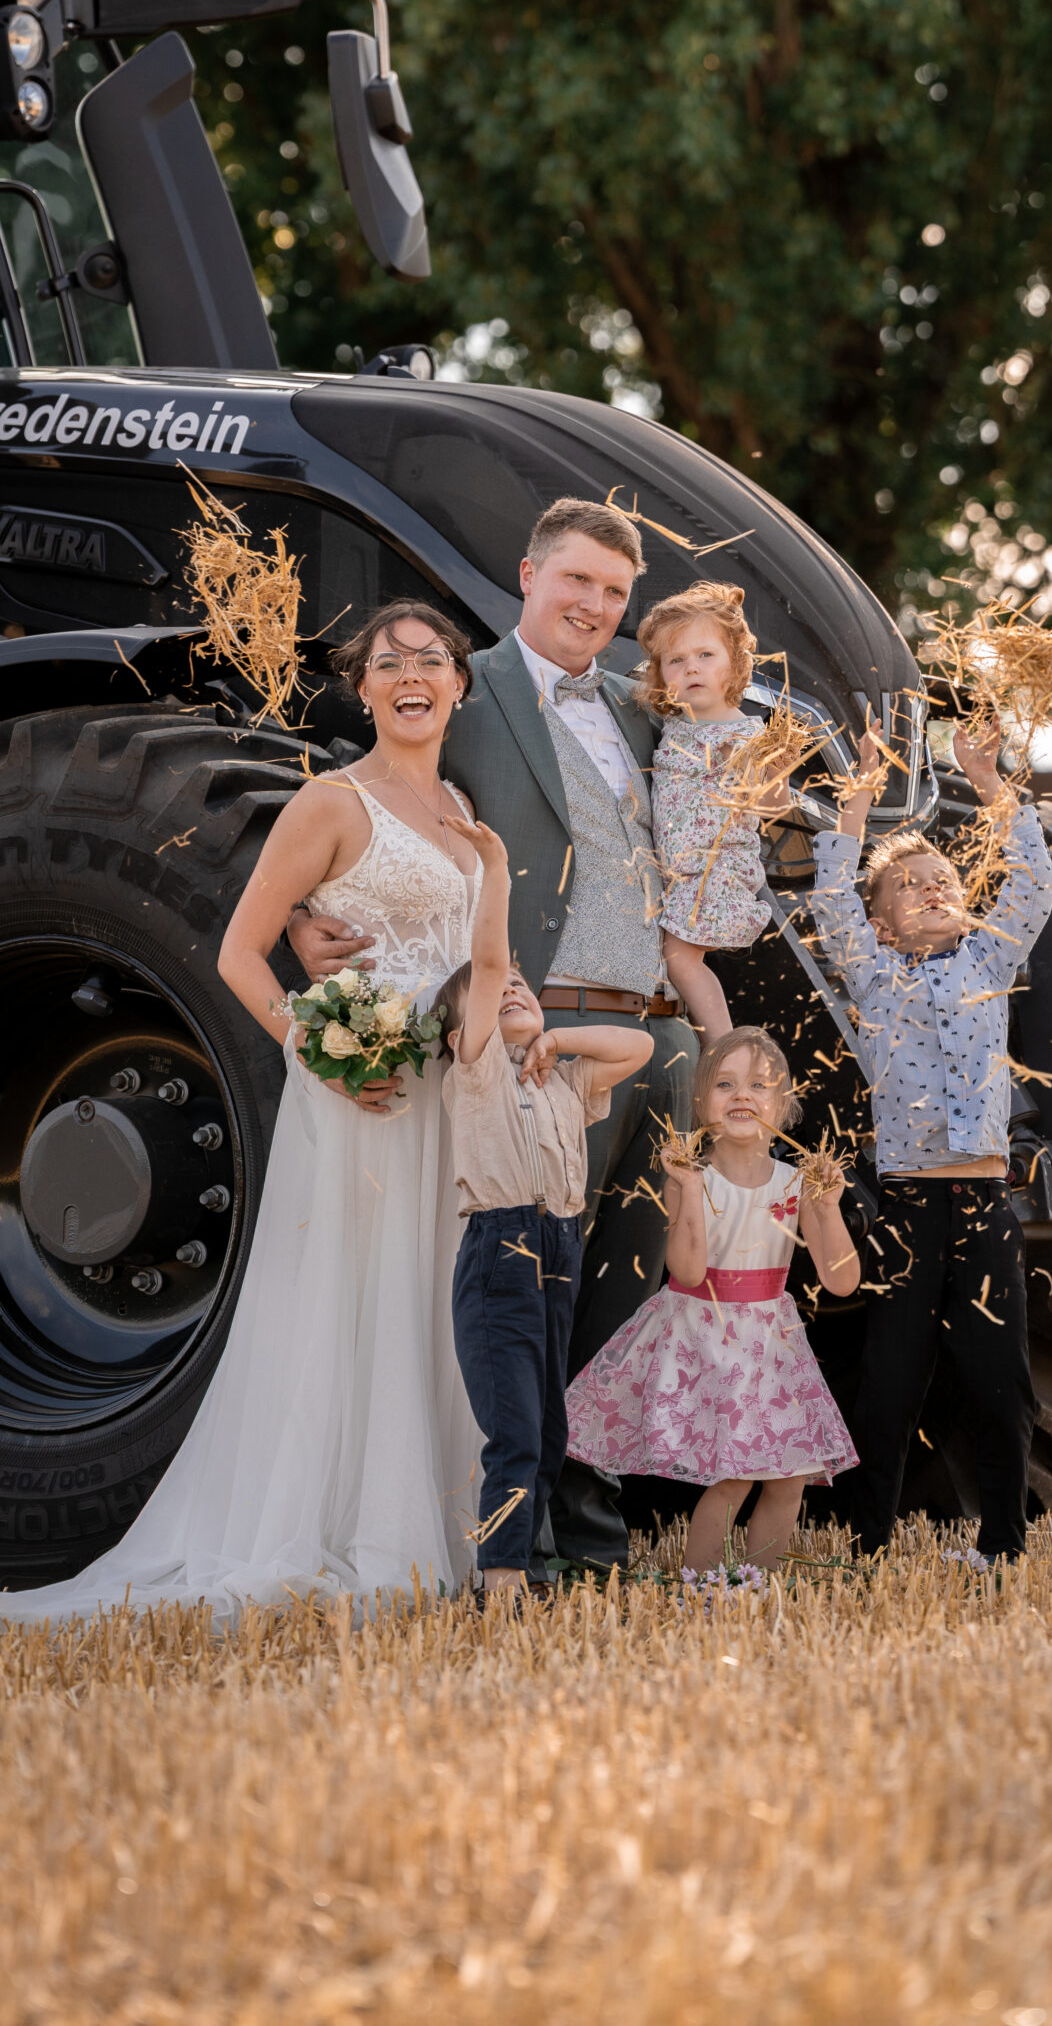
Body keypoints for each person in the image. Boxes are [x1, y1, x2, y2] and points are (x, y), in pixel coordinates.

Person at [0, 600, 488, 1641]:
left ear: (459, 684)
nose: (409, 677)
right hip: (360, 1088)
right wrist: (318, 1048)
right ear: (361, 686)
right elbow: (241, 953)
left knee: (428, 1293)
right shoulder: (331, 803)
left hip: (438, 1088)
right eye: (387, 662)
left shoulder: (461, 810)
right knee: (355, 1296)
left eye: (429, 661)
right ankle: (350, 1532)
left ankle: (435, 1524)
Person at [290, 497, 701, 1572]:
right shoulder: (459, 689)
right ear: (527, 574)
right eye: (577, 581)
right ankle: (531, 1544)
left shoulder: (642, 708)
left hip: (652, 1035)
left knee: (621, 1299)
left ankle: (595, 1537)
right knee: (531, 1297)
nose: (596, 606)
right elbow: (362, 797)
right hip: (530, 1033)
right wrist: (300, 916)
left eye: (615, 592)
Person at [811, 708, 1052, 1572]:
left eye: (941, 878)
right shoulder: (874, 976)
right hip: (908, 1207)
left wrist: (989, 781)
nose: (928, 888)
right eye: (906, 885)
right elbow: (830, 900)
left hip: (984, 1204)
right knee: (889, 1382)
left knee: (999, 1381)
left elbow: (1033, 884)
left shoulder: (988, 965)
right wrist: (855, 804)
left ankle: (1002, 1546)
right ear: (880, 923)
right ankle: (867, 1548)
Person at [437, 825, 652, 1602]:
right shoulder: (477, 1073)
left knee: (550, 1429)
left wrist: (557, 1038)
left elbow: (634, 1048)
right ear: (462, 1029)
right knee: (515, 1426)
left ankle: (526, 1562)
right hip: (501, 1252)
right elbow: (490, 963)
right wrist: (496, 865)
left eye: (525, 986)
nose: (512, 989)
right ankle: (499, 1579)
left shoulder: (562, 1082)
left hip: (559, 1247)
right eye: (497, 992)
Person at [565, 1027, 859, 1573]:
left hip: (770, 1345)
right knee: (736, 1477)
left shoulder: (796, 1184)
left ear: (784, 1105)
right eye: (725, 1084)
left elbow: (841, 1281)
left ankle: (757, 1586)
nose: (742, 1094)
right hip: (709, 1336)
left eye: (759, 1085)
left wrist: (829, 1207)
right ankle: (700, 1589)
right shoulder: (691, 1178)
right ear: (702, 1102)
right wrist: (690, 1192)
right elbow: (687, 1270)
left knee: (790, 1478)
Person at [637, 579, 790, 1043]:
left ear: (735, 664)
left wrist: (776, 774)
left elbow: (774, 807)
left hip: (713, 870)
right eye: (676, 660)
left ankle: (722, 1048)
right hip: (679, 870)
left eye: (706, 655)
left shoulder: (741, 736)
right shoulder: (676, 724)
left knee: (681, 959)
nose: (691, 668)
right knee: (674, 959)